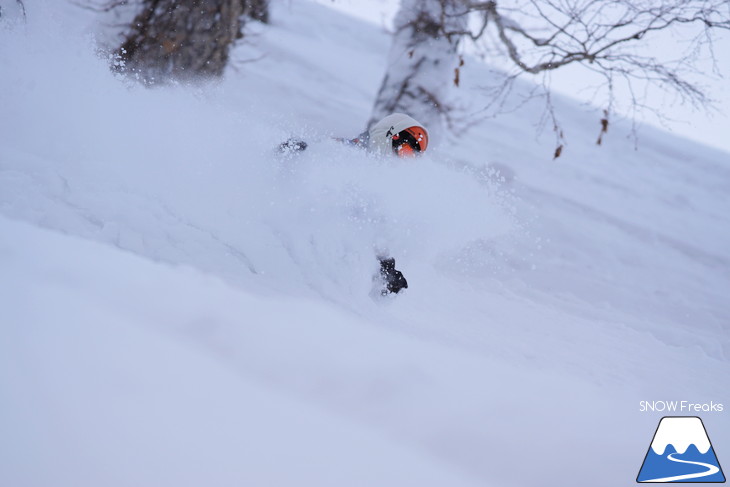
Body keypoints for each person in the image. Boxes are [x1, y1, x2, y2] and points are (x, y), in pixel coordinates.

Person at [279, 112, 430, 295]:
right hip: (285, 247)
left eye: (410, 158)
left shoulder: (380, 186)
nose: (402, 161)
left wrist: (387, 269)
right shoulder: (340, 152)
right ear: (390, 136)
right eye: (405, 152)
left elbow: (374, 228)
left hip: (314, 269)